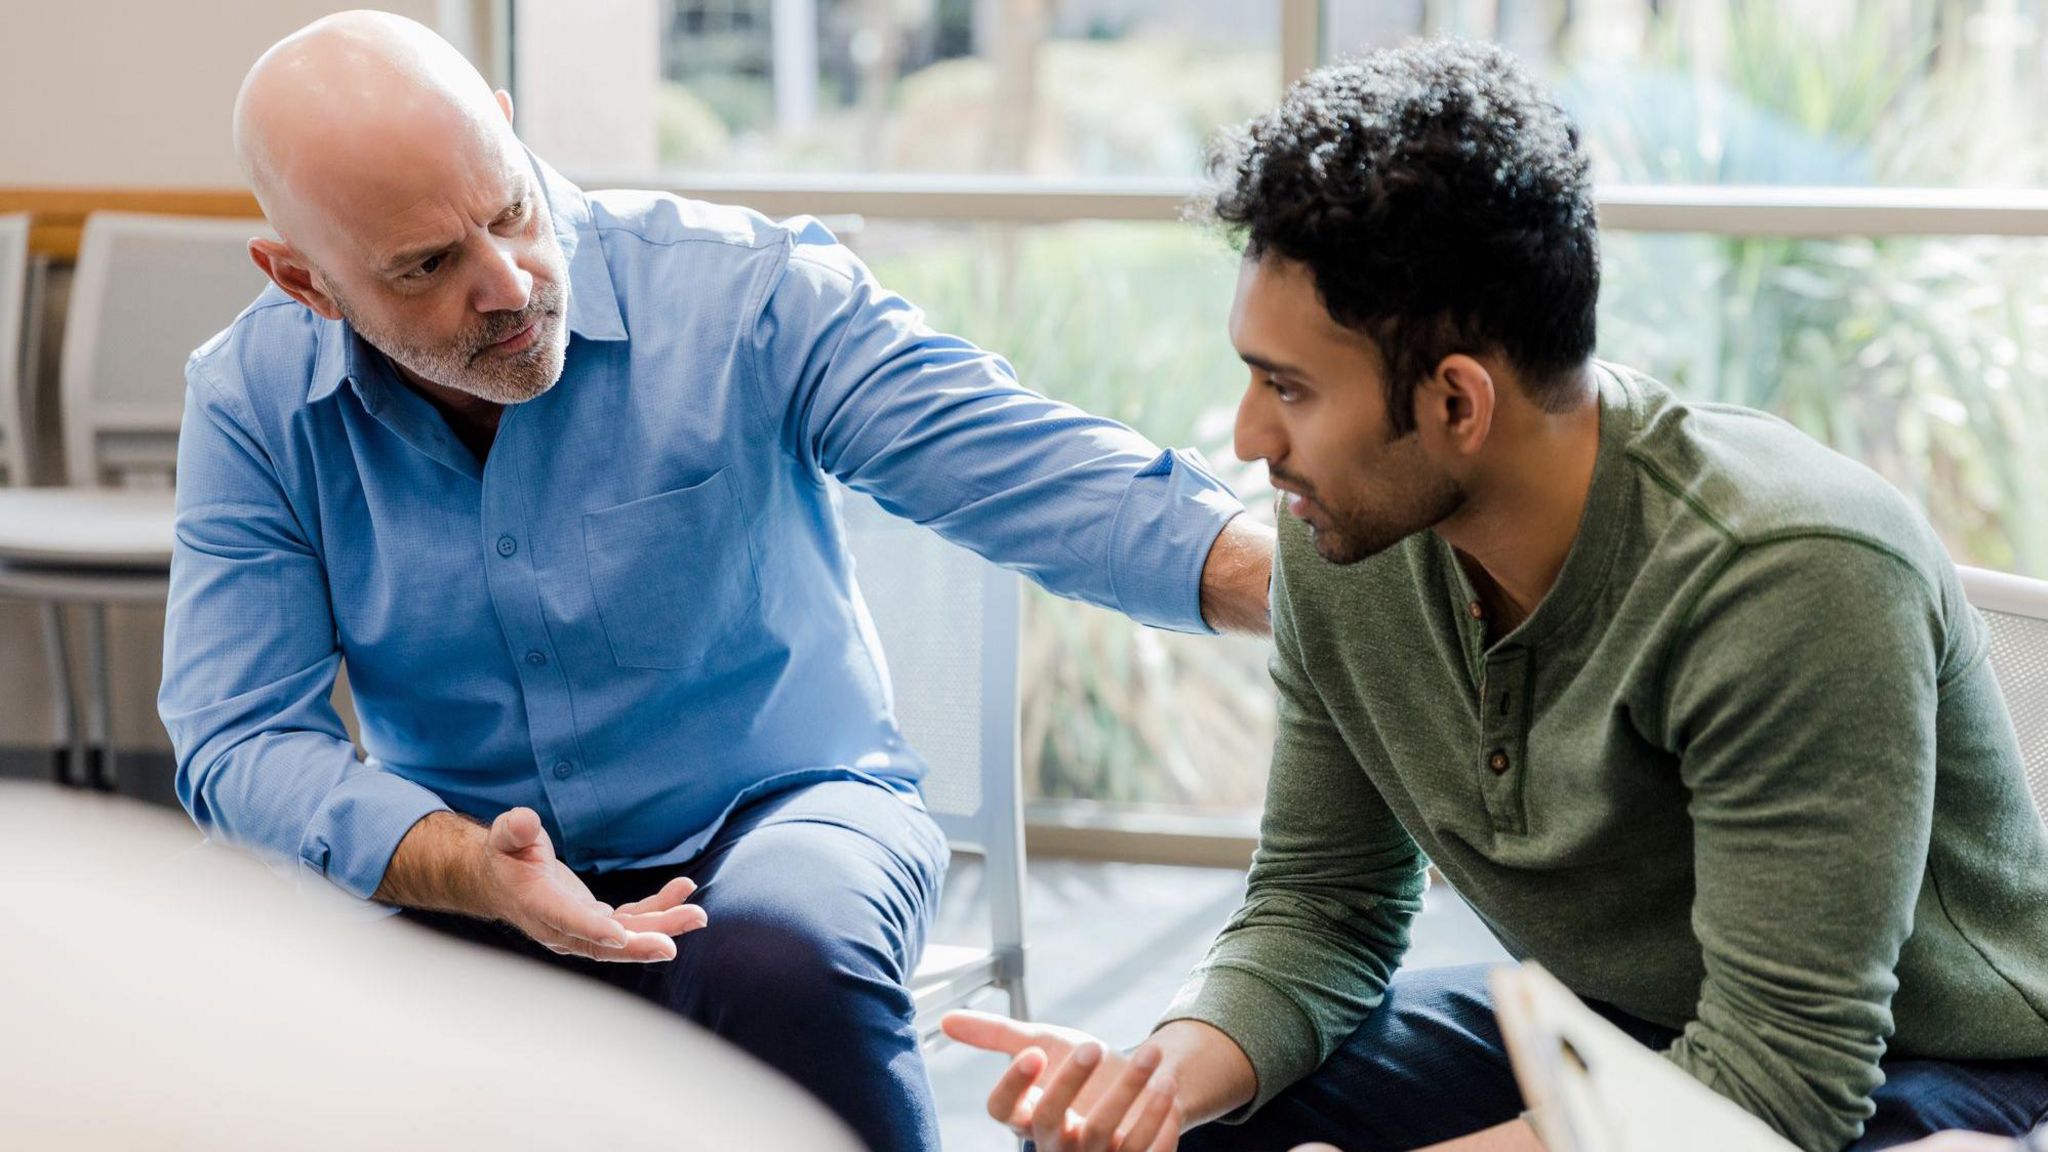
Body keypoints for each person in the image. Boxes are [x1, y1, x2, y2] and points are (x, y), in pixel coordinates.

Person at [157, 12, 1272, 1152]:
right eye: (429, 267)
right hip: (476, 851)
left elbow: (1014, 464)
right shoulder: (252, 402)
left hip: (784, 807)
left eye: (510, 211)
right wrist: (465, 869)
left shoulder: (743, 292)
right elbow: (239, 737)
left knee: (778, 957)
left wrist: (1304, 587)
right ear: (306, 281)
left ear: (506, 129)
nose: (509, 285)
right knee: (277, 1036)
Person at [946, 38, 2048, 1152]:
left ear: (1456, 403)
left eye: (1287, 388)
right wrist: (1154, 1085)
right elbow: (1320, 910)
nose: (1248, 439)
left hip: (1919, 1076)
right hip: (1618, 1025)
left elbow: (1779, 1085)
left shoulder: (1786, 576)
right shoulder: (1346, 542)